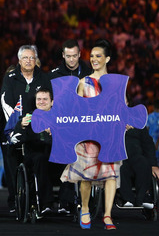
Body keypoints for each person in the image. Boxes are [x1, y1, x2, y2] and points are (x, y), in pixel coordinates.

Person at [60, 39, 120, 230]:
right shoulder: (83, 82)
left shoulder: (117, 83)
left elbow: (122, 108)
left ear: (107, 58)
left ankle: (108, 215)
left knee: (111, 175)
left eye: (98, 56)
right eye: (92, 56)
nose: (94, 59)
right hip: (88, 137)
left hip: (109, 136)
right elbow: (75, 109)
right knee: (87, 176)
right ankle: (85, 207)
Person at [0, 45, 51, 213]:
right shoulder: (10, 78)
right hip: (15, 128)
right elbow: (6, 104)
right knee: (12, 165)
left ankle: (44, 202)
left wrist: (41, 120)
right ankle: (15, 202)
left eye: (32, 58)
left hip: (37, 129)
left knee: (40, 161)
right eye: (25, 58)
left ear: (36, 60)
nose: (29, 61)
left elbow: (49, 101)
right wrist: (19, 122)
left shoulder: (43, 78)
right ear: (19, 60)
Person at [10, 88, 55, 216]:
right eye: (39, 99)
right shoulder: (28, 117)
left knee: (70, 159)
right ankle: (46, 203)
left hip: (56, 154)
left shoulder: (59, 118)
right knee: (40, 159)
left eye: (45, 99)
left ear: (52, 102)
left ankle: (67, 202)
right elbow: (17, 139)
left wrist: (55, 132)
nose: (41, 102)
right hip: (35, 155)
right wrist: (21, 126)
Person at [120, 124, 159, 208]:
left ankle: (142, 198)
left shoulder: (139, 124)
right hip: (119, 156)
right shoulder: (112, 121)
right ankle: (127, 199)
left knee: (144, 164)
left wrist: (153, 165)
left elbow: (148, 144)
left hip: (137, 156)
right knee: (120, 167)